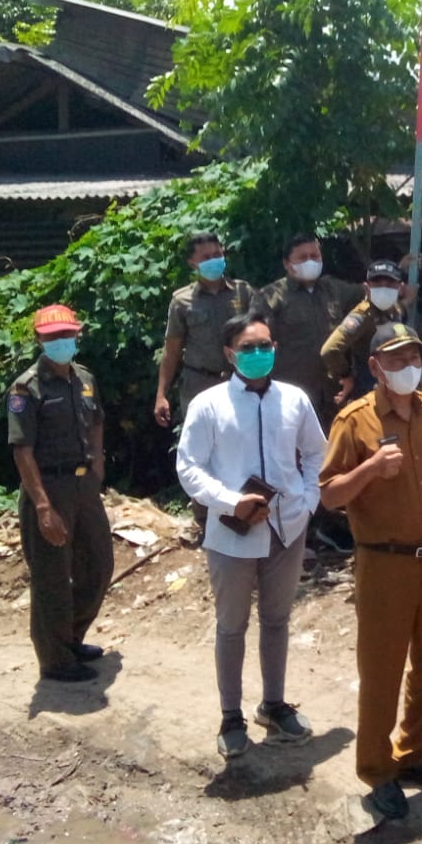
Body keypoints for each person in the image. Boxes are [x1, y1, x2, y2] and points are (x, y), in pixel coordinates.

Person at [319, 322, 422, 822]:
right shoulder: (355, 420)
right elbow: (328, 495)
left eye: (413, 357)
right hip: (385, 563)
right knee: (383, 670)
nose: (408, 367)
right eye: (395, 359)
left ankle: (413, 752)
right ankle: (377, 770)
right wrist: (369, 470)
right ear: (374, 367)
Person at [176, 311, 327, 758]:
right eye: (248, 347)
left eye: (265, 345)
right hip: (233, 531)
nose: (259, 353)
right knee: (232, 625)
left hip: (287, 527)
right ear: (229, 354)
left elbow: (316, 451)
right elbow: (189, 466)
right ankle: (230, 716)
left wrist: (309, 498)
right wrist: (228, 500)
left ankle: (274, 704)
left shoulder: (295, 400)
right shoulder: (209, 405)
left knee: (277, 620)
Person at [7, 304, 114, 684]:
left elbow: (97, 421)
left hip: (84, 485)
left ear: (77, 335)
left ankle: (69, 637)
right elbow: (22, 450)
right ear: (39, 339)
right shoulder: (26, 387)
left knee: (99, 566)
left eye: (66, 335)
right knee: (52, 577)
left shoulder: (83, 377)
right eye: (52, 337)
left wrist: (98, 467)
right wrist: (42, 506)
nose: (61, 342)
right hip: (48, 488)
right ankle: (54, 660)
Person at [250, 233, 362, 428]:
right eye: (302, 258)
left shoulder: (333, 289)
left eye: (315, 256)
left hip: (333, 392)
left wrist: (402, 273)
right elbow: (257, 343)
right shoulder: (271, 297)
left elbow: (369, 292)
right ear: (287, 263)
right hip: (291, 393)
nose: (310, 261)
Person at [154, 231, 254, 429]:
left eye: (217, 255)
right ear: (193, 263)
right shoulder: (182, 301)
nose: (214, 260)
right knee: (202, 445)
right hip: (199, 383)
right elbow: (172, 351)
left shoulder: (243, 292)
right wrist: (161, 395)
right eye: (206, 257)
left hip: (240, 380)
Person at [321, 258, 416, 405]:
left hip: (394, 383)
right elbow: (330, 350)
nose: (384, 289)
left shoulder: (394, 309)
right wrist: (346, 376)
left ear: (400, 288)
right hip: (369, 387)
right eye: (377, 284)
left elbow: (399, 310)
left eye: (390, 284)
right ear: (367, 288)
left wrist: (407, 300)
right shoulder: (363, 316)